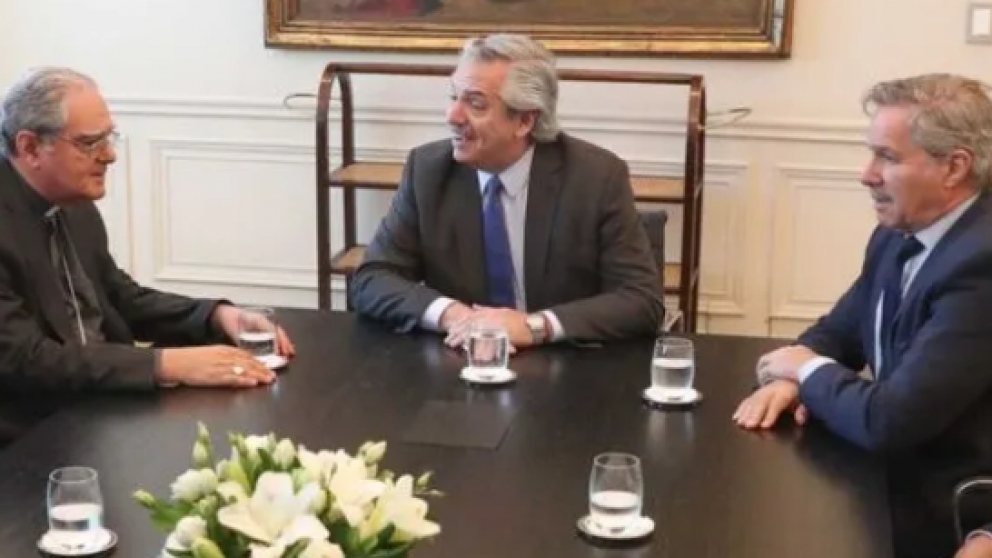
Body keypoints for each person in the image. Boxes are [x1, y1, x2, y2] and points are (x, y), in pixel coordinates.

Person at [732, 73, 992, 558]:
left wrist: (804, 370)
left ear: (955, 168)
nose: (866, 173)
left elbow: (890, 419)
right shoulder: (900, 232)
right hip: (876, 483)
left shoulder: (981, 265)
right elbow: (839, 331)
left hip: (949, 516)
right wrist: (793, 378)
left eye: (887, 158)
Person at [0, 67, 295, 446]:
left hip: (98, 404)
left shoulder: (73, 201)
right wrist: (167, 364)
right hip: (29, 431)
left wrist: (217, 316)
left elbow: (119, 297)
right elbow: (26, 359)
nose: (109, 156)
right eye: (90, 143)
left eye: (109, 138)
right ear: (29, 148)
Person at [350, 33, 665, 350]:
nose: (453, 116)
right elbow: (372, 279)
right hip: (460, 368)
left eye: (475, 104)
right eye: (453, 97)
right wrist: (454, 315)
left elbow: (642, 300)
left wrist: (534, 327)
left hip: (567, 374)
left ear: (525, 121)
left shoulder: (596, 177)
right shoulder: (429, 171)